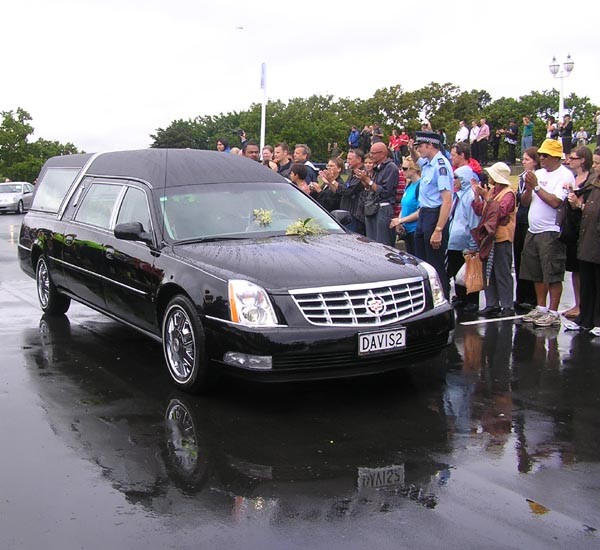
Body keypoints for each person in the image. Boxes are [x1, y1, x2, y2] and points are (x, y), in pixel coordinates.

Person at [520, 139, 575, 327]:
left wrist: (536, 186)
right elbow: (526, 202)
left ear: (555, 156)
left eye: (545, 155)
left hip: (551, 230)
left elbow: (555, 202)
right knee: (535, 272)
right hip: (533, 229)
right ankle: (541, 307)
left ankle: (553, 311)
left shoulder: (565, 175)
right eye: (540, 155)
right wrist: (528, 188)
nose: (541, 158)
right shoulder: (539, 173)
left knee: (552, 273)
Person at [409, 131, 453, 297]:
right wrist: (411, 150)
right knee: (423, 263)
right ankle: (428, 297)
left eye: (420, 146)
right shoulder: (429, 163)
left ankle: (442, 298)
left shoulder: (440, 165)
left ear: (430, 145)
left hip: (435, 216)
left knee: (436, 264)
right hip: (425, 214)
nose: (419, 149)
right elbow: (417, 160)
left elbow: (446, 200)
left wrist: (439, 229)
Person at [471, 162, 517, 317]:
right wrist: (477, 195)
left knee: (502, 272)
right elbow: (480, 210)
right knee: (488, 271)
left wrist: (486, 197)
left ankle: (507, 305)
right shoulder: (492, 191)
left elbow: (500, 212)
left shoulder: (508, 194)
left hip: (502, 238)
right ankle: (492, 303)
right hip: (489, 238)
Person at [565, 148, 600, 335]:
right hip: (587, 240)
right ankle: (584, 319)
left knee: (597, 283)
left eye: (597, 163)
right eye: (593, 162)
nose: (594, 167)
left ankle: (597, 321)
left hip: (597, 242)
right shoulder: (593, 185)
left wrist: (581, 206)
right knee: (587, 282)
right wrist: (577, 206)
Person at [447, 142, 481, 312]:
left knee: (469, 272)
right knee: (456, 273)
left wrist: (473, 245)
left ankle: (471, 300)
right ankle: (460, 297)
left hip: (466, 241)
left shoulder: (470, 197)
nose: (455, 182)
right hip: (454, 240)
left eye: (457, 179)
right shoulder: (457, 196)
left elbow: (474, 221)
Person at [562, 146, 594, 319]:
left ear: (583, 160)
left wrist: (577, 201)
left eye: (573, 158)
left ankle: (586, 306)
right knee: (575, 268)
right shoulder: (574, 178)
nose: (569, 161)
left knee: (586, 269)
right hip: (573, 227)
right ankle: (578, 303)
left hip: (586, 227)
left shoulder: (591, 180)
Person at [356, 141, 398, 246]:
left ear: (383, 153)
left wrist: (368, 181)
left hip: (383, 209)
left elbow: (385, 192)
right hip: (372, 209)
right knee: (372, 244)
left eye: (373, 153)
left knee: (383, 244)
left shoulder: (390, 168)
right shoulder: (377, 169)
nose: (371, 155)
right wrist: (364, 180)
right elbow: (371, 188)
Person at [514, 147, 540, 311]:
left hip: (530, 220)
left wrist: (530, 187)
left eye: (527, 159)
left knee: (529, 260)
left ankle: (531, 296)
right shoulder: (522, 177)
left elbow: (525, 201)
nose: (523, 162)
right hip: (521, 219)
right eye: (523, 159)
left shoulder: (537, 178)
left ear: (535, 161)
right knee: (519, 258)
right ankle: (521, 294)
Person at [389, 157, 421, 255]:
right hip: (406, 229)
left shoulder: (420, 185)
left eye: (405, 168)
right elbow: (404, 206)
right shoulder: (409, 185)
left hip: (415, 230)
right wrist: (399, 222)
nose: (402, 171)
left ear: (414, 169)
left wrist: (401, 220)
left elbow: (420, 212)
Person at [340, 149, 367, 234]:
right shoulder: (352, 174)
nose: (347, 162)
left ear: (359, 159)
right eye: (347, 159)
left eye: (350, 159)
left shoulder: (362, 173)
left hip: (356, 216)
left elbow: (349, 190)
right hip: (347, 214)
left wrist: (333, 182)